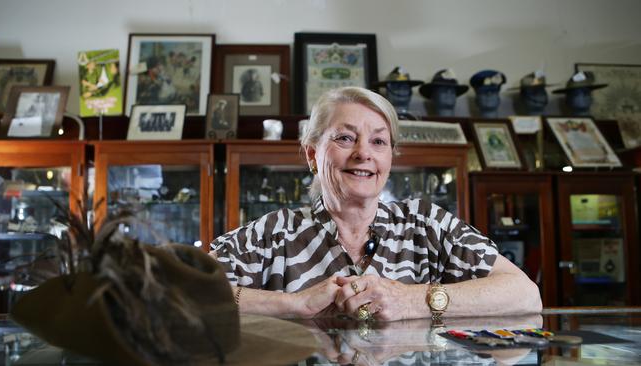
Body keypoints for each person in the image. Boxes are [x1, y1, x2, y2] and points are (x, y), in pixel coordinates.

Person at [210, 86, 542, 321]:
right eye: (345, 137)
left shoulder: (426, 224)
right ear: (313, 154)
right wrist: (294, 304)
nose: (364, 153)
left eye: (378, 141)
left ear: (389, 158)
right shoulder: (275, 233)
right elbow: (175, 289)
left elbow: (525, 295)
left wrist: (412, 300)